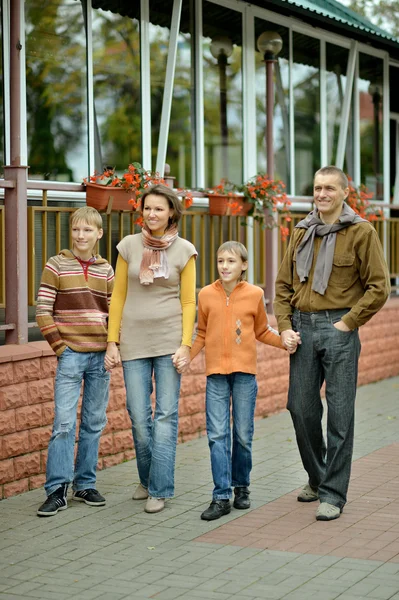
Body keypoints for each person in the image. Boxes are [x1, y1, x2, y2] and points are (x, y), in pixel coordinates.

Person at [274, 166, 390, 521]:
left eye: (329, 188)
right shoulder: (301, 231)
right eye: (317, 188)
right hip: (302, 328)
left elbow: (378, 287)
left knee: (339, 415)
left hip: (338, 330)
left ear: (344, 193)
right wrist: (283, 326)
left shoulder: (361, 232)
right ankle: (318, 476)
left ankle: (333, 494)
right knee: (300, 407)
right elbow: (281, 287)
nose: (321, 193)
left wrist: (347, 323)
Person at [186, 241, 300, 521]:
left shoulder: (255, 294)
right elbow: (200, 333)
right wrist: (185, 356)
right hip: (215, 375)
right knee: (217, 436)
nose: (224, 266)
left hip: (245, 375)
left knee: (243, 436)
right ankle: (221, 495)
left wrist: (285, 341)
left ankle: (242, 486)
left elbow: (262, 330)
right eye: (220, 261)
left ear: (243, 266)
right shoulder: (205, 295)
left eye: (231, 261)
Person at [105, 184, 197, 514]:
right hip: (133, 340)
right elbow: (117, 296)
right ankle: (146, 480)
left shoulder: (185, 250)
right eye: (147, 208)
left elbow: (189, 301)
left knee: (166, 416)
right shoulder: (128, 246)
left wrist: (186, 344)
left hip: (170, 339)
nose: (152, 214)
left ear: (171, 212)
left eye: (159, 208)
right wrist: (112, 341)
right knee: (138, 416)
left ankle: (160, 488)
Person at [36, 207, 114, 517]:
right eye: (76, 230)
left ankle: (85, 483)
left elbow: (114, 312)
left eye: (87, 230)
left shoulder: (106, 270)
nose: (80, 236)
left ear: (99, 234)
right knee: (64, 424)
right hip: (70, 356)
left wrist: (112, 346)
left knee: (94, 423)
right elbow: (43, 310)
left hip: (99, 357)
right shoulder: (55, 265)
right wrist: (61, 348)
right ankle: (57, 490)